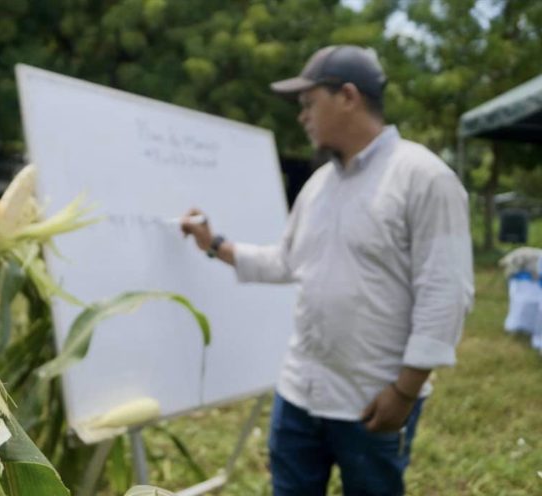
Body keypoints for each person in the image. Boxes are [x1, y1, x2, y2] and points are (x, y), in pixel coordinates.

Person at [180, 45, 474, 496]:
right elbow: (286, 261)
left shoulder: (423, 177)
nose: (302, 116)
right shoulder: (319, 186)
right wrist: (215, 245)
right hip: (299, 393)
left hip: (370, 399)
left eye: (308, 102)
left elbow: (445, 292)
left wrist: (404, 392)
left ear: (348, 97)